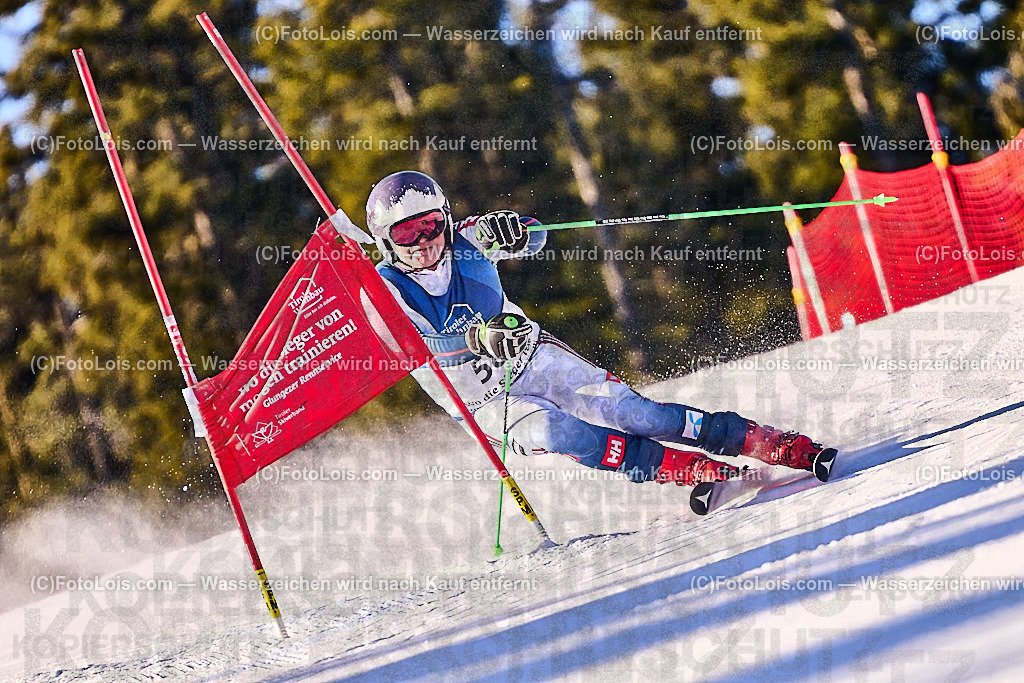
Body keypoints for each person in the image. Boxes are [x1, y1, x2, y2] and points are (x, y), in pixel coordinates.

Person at [366, 171, 835, 490]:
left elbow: (536, 233)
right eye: (407, 234)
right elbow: (423, 349)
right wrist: (477, 339)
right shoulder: (383, 293)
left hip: (534, 358)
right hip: (485, 402)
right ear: (388, 241)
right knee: (563, 433)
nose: (424, 242)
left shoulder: (468, 240)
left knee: (642, 416)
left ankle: (758, 440)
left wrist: (518, 230)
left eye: (430, 226)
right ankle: (678, 467)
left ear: (445, 220)